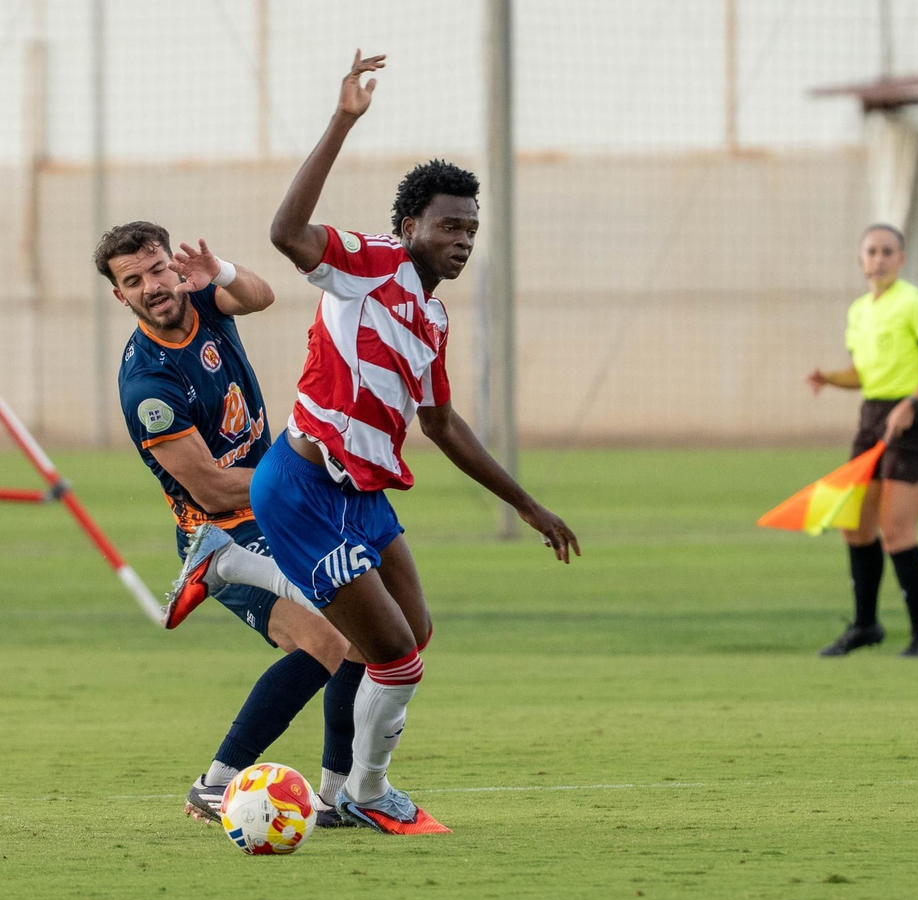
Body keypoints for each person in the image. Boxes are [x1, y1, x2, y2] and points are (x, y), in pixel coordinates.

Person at [165, 52, 581, 835]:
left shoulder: (434, 318)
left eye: (471, 229)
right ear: (409, 227)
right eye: (449, 225)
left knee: (405, 636)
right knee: (395, 655)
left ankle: (333, 792)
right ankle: (367, 789)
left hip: (363, 497)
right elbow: (286, 232)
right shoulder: (369, 266)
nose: (462, 240)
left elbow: (443, 426)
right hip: (301, 486)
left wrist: (527, 504)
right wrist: (344, 120)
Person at [96, 220, 365, 828]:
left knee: (358, 634)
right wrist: (311, 468)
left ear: (173, 265)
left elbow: (260, 296)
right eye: (133, 281)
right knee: (331, 638)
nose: (153, 286)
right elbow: (212, 487)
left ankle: (332, 794)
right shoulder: (149, 385)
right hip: (221, 532)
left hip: (281, 511)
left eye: (157, 269)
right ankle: (230, 785)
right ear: (121, 296)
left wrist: (219, 272)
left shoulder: (199, 301)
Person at [806, 222, 918, 658]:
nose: (879, 259)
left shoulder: (914, 303)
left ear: (902, 259)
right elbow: (863, 374)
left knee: (896, 529)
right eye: (871, 251)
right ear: (860, 260)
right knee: (853, 526)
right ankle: (866, 625)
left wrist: (912, 402)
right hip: (873, 419)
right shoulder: (859, 311)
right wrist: (830, 378)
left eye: (888, 251)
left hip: (912, 422)